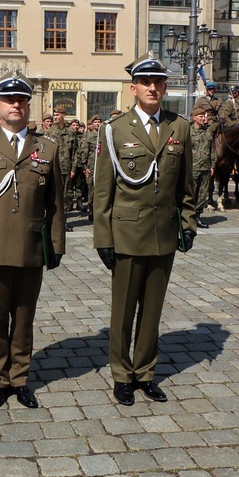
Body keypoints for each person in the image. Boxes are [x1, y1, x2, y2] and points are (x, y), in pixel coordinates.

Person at [93, 52, 197, 406]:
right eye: (146, 83)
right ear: (134, 87)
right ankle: (122, 375)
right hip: (125, 235)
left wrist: (188, 222)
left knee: (152, 311)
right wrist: (103, 238)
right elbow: (103, 190)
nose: (153, 88)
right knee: (122, 313)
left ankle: (146, 372)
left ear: (165, 86)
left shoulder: (179, 126)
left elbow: (186, 184)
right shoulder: (115, 129)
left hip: (163, 235)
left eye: (159, 82)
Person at [0, 70, 66, 411]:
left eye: (21, 100)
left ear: (29, 106)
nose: (15, 105)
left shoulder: (46, 147)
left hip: (31, 245)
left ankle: (19, 378)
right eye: (9, 100)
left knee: (23, 318)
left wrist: (57, 244)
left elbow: (56, 204)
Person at [190, 108, 215, 229]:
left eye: (204, 116)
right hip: (192, 168)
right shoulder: (188, 132)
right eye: (200, 116)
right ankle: (188, 217)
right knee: (191, 193)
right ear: (194, 118)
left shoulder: (208, 132)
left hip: (205, 168)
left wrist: (212, 166)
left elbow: (212, 150)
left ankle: (197, 217)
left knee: (202, 194)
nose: (203, 118)